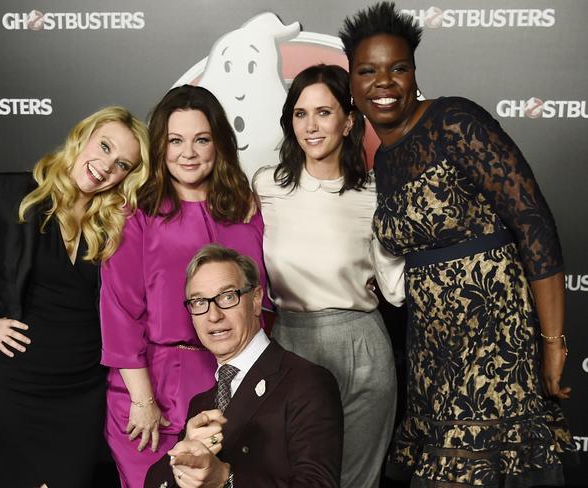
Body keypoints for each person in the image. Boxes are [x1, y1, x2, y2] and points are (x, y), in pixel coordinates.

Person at [340, 2, 575, 487]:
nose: (383, 83)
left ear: (414, 74)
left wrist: (552, 343)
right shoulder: (383, 160)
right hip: (433, 352)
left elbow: (535, 226)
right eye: (368, 71)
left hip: (496, 343)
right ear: (352, 84)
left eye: (397, 68)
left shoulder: (455, 121)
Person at [0, 106, 150, 488]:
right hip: (16, 387)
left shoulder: (118, 223)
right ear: (82, 136)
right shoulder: (11, 192)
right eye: (103, 146)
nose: (105, 165)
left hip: (82, 394)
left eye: (121, 164)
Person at [99, 85, 269, 488]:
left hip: (236, 381)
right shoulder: (137, 214)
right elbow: (121, 312)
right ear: (160, 146)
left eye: (201, 139)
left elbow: (267, 300)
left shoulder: (245, 209)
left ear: (219, 144)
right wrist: (142, 401)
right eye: (175, 140)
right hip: (153, 387)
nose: (188, 153)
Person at [252, 64, 404, 488]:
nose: (311, 126)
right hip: (288, 343)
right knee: (287, 475)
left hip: (361, 348)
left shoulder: (374, 193)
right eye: (300, 114)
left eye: (324, 112)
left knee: (355, 479)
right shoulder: (267, 187)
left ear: (349, 121)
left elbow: (395, 286)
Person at [144, 244, 344, 488]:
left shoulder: (306, 382)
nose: (213, 315)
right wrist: (183, 456)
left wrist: (225, 479)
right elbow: (154, 483)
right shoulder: (201, 404)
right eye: (198, 302)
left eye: (228, 297)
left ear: (256, 299)